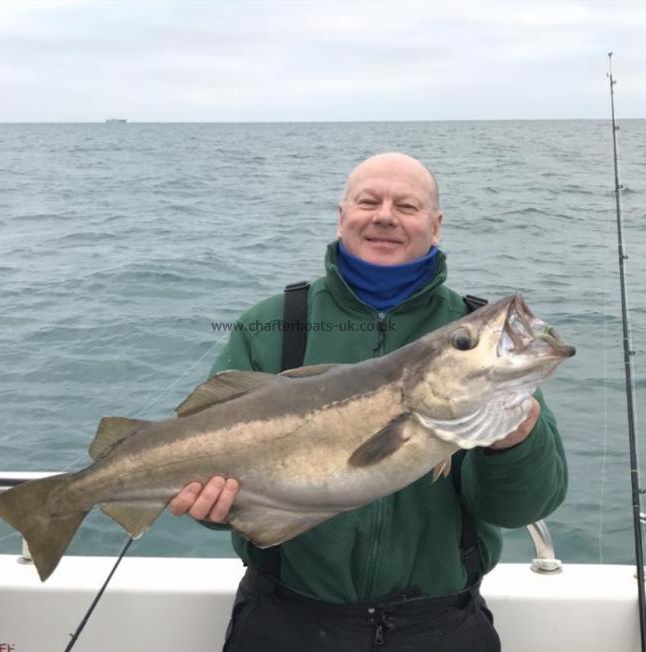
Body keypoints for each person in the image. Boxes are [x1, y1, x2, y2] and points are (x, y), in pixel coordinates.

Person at [170, 152, 567, 651]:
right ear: (342, 217)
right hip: (285, 620)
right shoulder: (271, 323)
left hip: (442, 625)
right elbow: (218, 482)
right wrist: (213, 508)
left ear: (436, 225)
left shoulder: (478, 344)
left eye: (407, 205)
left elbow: (521, 507)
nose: (384, 216)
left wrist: (516, 440)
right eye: (368, 201)